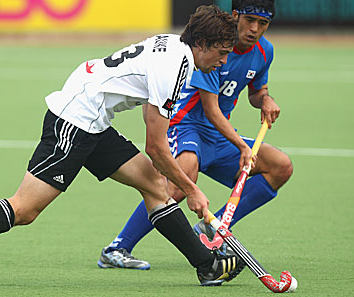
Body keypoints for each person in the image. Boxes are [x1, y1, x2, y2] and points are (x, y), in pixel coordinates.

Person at [0, 5, 243, 287]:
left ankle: (207, 266)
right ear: (201, 43)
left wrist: (181, 185)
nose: (223, 62)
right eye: (221, 53)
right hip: (75, 120)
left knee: (154, 184)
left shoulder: (176, 47)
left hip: (91, 116)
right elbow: (155, 145)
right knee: (24, 210)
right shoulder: (176, 66)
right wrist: (191, 189)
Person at [98, 0, 292, 272]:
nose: (255, 29)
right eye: (249, 20)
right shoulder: (217, 48)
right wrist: (242, 147)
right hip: (187, 126)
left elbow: (256, 93)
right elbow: (211, 110)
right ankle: (117, 247)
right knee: (181, 180)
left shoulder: (264, 51)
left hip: (221, 137)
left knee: (281, 166)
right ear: (235, 16)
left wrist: (266, 100)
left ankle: (214, 228)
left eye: (263, 24)